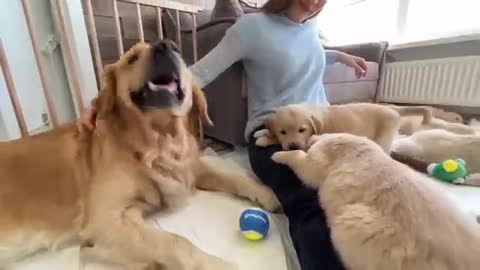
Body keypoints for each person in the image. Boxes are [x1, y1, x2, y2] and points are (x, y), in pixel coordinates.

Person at [81, 0, 367, 268]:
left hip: (320, 127)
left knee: (362, 187)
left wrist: (340, 56)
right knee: (308, 200)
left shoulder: (311, 30)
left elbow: (302, 51)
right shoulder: (252, 27)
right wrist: (102, 103)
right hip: (273, 133)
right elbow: (197, 73)